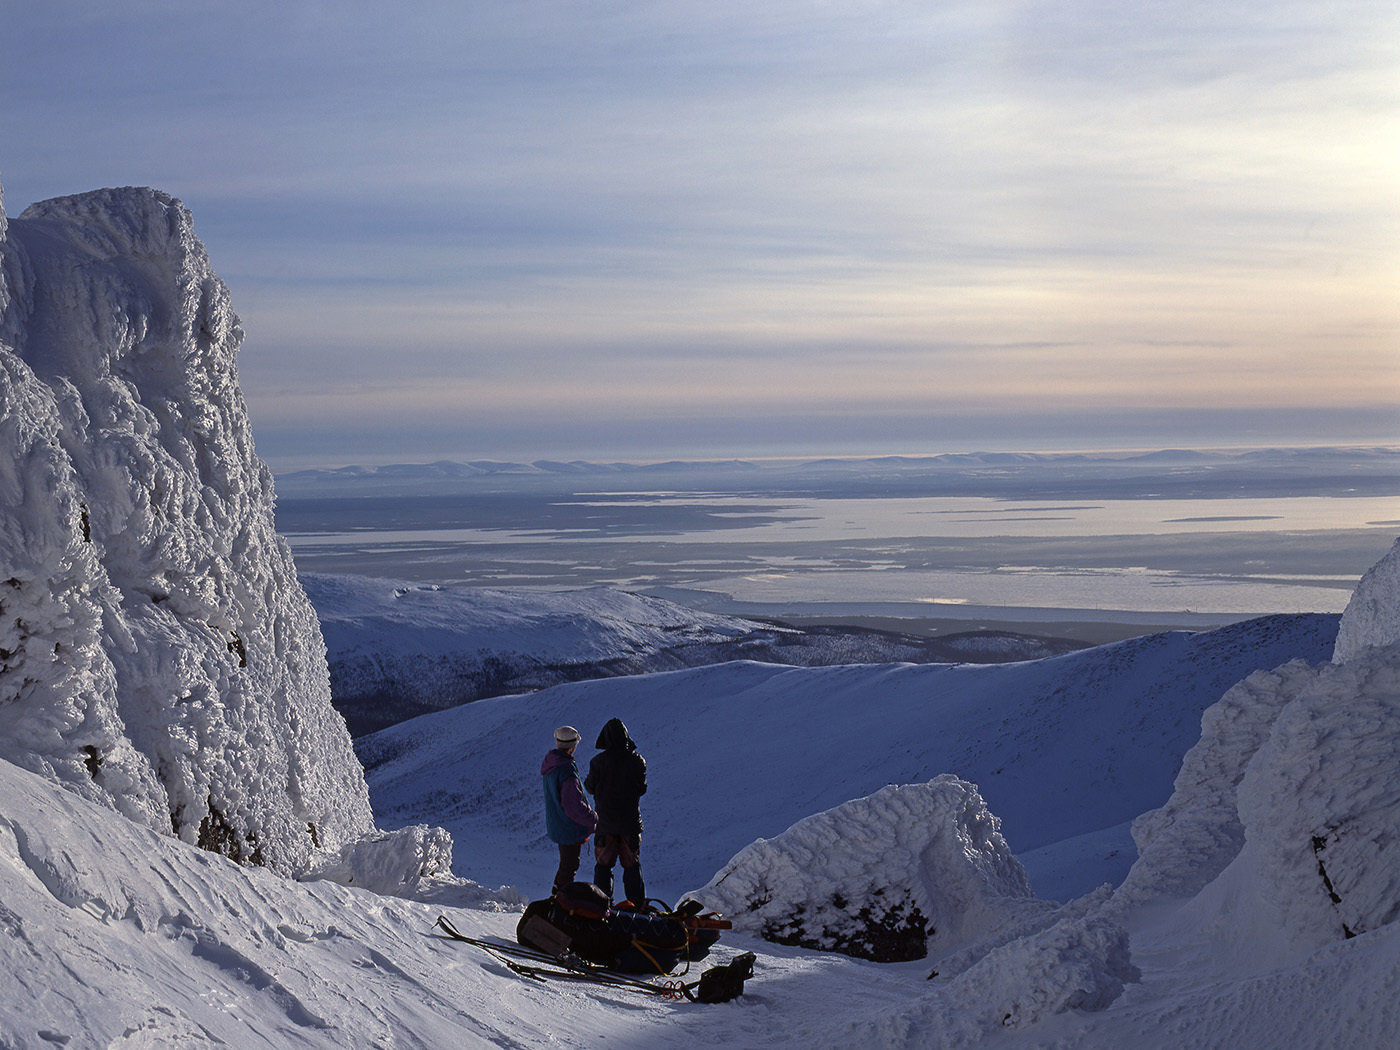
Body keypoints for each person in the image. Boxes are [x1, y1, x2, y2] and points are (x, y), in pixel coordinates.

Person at [584, 717, 647, 904]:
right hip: (630, 823)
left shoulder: (598, 762)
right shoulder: (637, 761)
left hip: (605, 824)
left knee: (603, 867)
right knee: (632, 866)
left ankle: (602, 906)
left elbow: (589, 787)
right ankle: (637, 907)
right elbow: (641, 788)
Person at [541, 725, 597, 896]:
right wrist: (593, 818)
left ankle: (557, 898)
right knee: (569, 866)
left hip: (558, 824)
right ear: (573, 746)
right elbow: (574, 807)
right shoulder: (566, 770)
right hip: (569, 828)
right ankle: (559, 901)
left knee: (566, 864)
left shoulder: (551, 765)